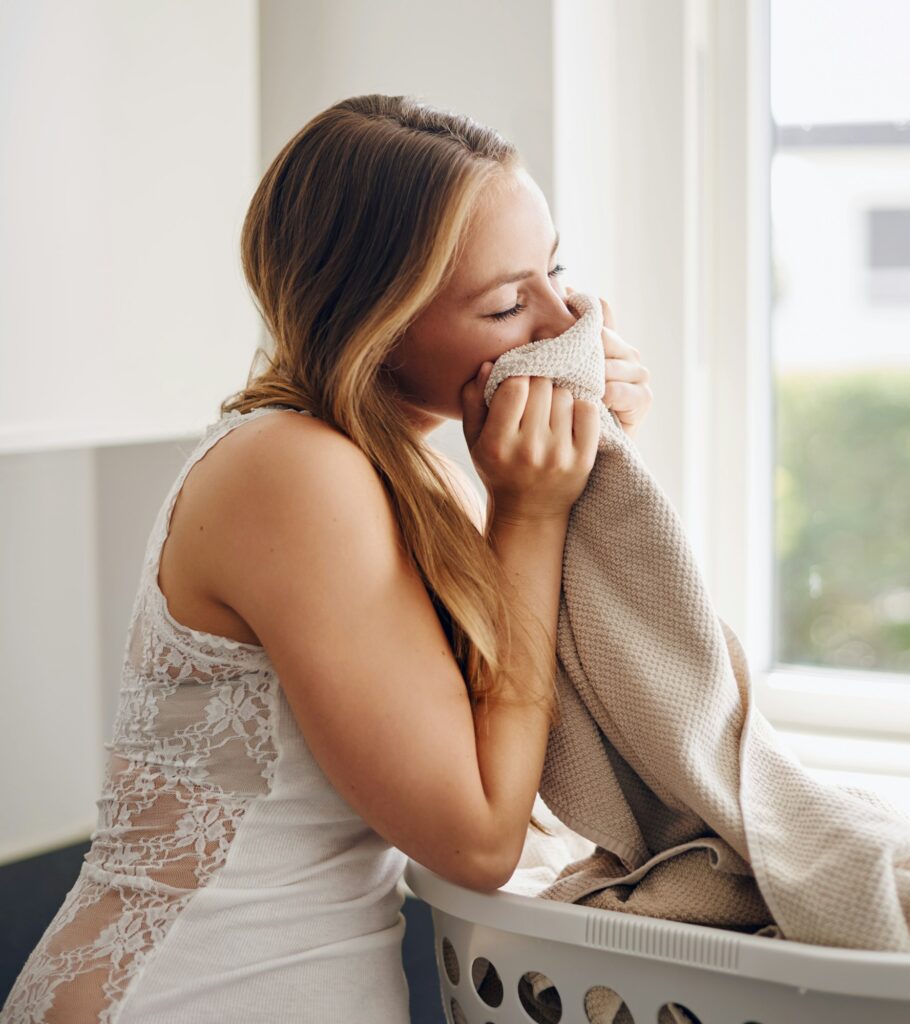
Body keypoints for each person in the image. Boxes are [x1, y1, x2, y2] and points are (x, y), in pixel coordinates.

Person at [1, 93, 652, 1023]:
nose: (562, 323)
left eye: (556, 273)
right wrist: (533, 510)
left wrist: (598, 470)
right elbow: (473, 838)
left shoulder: (416, 460)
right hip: (187, 994)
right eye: (508, 303)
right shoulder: (294, 471)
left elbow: (537, 698)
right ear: (378, 326)